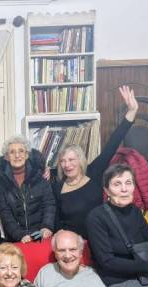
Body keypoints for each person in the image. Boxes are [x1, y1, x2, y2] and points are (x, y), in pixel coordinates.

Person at [52, 85, 138, 239]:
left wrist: (131, 112)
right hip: (73, 247)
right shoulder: (58, 187)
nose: (67, 164)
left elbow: (113, 143)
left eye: (71, 159)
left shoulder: (94, 172)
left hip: (100, 239)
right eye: (63, 161)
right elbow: (57, 220)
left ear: (80, 160)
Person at [0, 137, 55, 243]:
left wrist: (46, 226)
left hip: (41, 234)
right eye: (12, 152)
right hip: (16, 238)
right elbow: (5, 212)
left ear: (27, 155)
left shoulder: (39, 174)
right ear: (6, 157)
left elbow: (49, 203)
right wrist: (19, 235)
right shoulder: (2, 180)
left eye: (21, 151)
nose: (17, 156)